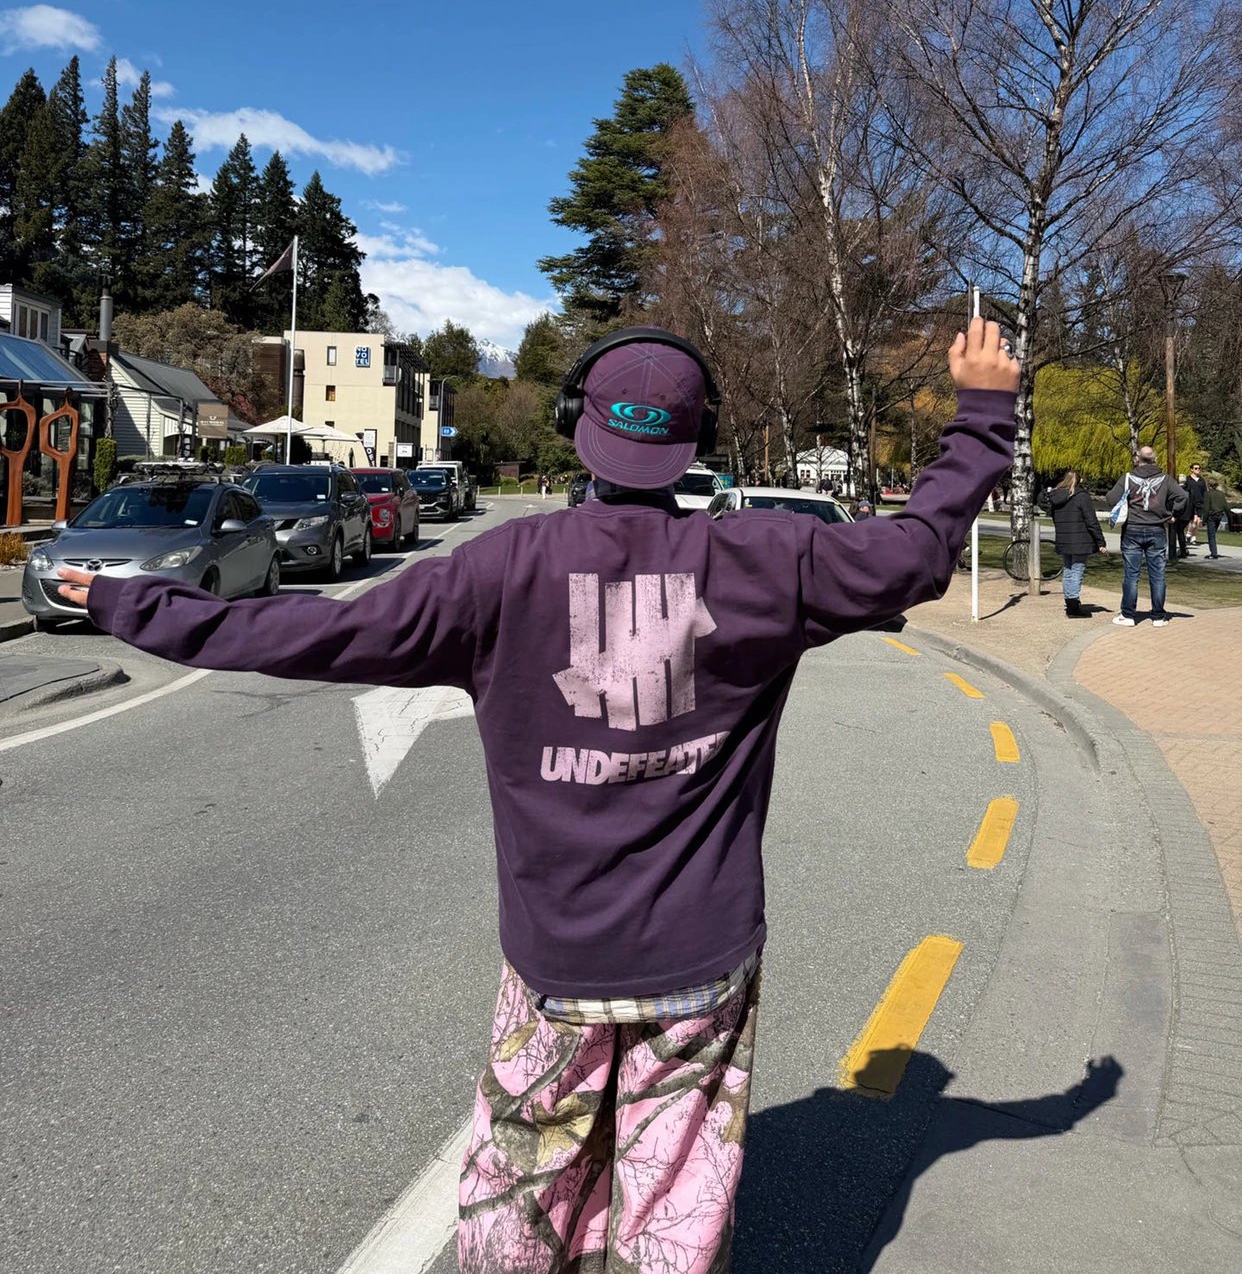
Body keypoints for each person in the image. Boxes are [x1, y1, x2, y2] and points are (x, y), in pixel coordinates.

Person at [57, 319, 1019, 1274]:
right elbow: (919, 549)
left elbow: (307, 634)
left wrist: (126, 600)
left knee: (522, 1188)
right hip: (703, 956)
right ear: (698, 441)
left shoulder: (498, 572)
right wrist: (981, 410)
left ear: (575, 425)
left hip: (556, 962)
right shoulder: (772, 561)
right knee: (676, 1196)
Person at [1104, 445, 1189, 627]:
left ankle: (1128, 615)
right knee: (1157, 575)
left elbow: (1111, 499)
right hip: (1156, 528)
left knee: (1131, 574)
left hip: (1132, 529)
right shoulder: (1165, 479)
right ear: (1154, 459)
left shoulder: (1128, 478)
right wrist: (1172, 513)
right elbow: (1183, 496)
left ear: (1138, 459)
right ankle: (1158, 616)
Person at [1039, 470, 1106, 618]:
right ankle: (1073, 605)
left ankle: (1070, 602)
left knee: (1068, 571)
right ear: (1078, 481)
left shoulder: (1055, 498)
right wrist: (1100, 541)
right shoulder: (1081, 497)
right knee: (1076, 571)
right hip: (1080, 540)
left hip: (1064, 539)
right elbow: (1091, 521)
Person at [1181, 462, 1207, 552]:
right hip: (1191, 502)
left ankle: (1193, 537)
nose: (1198, 470)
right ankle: (1189, 534)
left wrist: (1205, 501)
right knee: (1193, 520)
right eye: (1196, 468)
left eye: (1199, 468)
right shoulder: (1188, 479)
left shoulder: (1201, 480)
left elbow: (1204, 491)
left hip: (1200, 502)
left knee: (1198, 521)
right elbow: (1184, 490)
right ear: (1191, 469)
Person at [1203, 476, 1230, 560]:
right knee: (1213, 534)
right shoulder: (1221, 494)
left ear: (1208, 485)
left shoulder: (1207, 494)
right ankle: (1213, 551)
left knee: (1211, 535)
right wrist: (1230, 518)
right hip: (1219, 515)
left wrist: (1204, 520)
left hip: (1211, 516)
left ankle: (1213, 553)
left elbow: (1206, 508)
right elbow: (1226, 507)